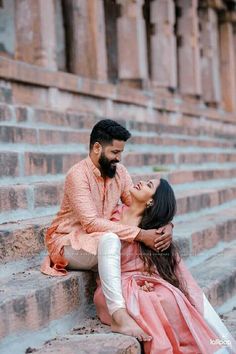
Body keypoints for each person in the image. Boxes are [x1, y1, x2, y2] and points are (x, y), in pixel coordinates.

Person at [41, 119, 174, 341]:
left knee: (119, 237)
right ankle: (119, 315)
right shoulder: (78, 175)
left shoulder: (119, 172)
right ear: (96, 148)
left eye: (121, 152)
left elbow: (140, 204)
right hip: (68, 244)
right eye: (114, 152)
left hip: (102, 241)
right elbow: (91, 223)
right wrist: (142, 235)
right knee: (114, 239)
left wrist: (166, 226)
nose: (119, 158)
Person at [94, 178, 236, 354]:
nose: (141, 182)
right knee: (147, 299)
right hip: (113, 289)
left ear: (151, 201)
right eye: (146, 181)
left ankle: (210, 348)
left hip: (140, 283)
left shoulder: (156, 233)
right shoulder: (112, 214)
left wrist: (148, 281)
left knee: (168, 295)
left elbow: (173, 276)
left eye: (149, 185)